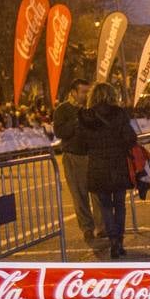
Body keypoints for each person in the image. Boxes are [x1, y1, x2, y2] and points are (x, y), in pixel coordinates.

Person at [78, 82, 137, 260]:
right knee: (119, 204)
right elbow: (130, 138)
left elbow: (82, 145)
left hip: (97, 166)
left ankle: (112, 239)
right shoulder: (119, 114)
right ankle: (119, 240)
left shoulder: (87, 117)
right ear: (111, 95)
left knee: (104, 206)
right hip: (118, 164)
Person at [52, 78, 104, 246]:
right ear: (73, 92)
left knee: (98, 193)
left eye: (88, 92)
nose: (86, 95)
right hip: (74, 157)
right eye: (83, 92)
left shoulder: (91, 108)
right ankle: (87, 228)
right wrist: (77, 121)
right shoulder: (62, 110)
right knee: (79, 195)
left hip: (92, 155)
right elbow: (59, 132)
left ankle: (102, 227)